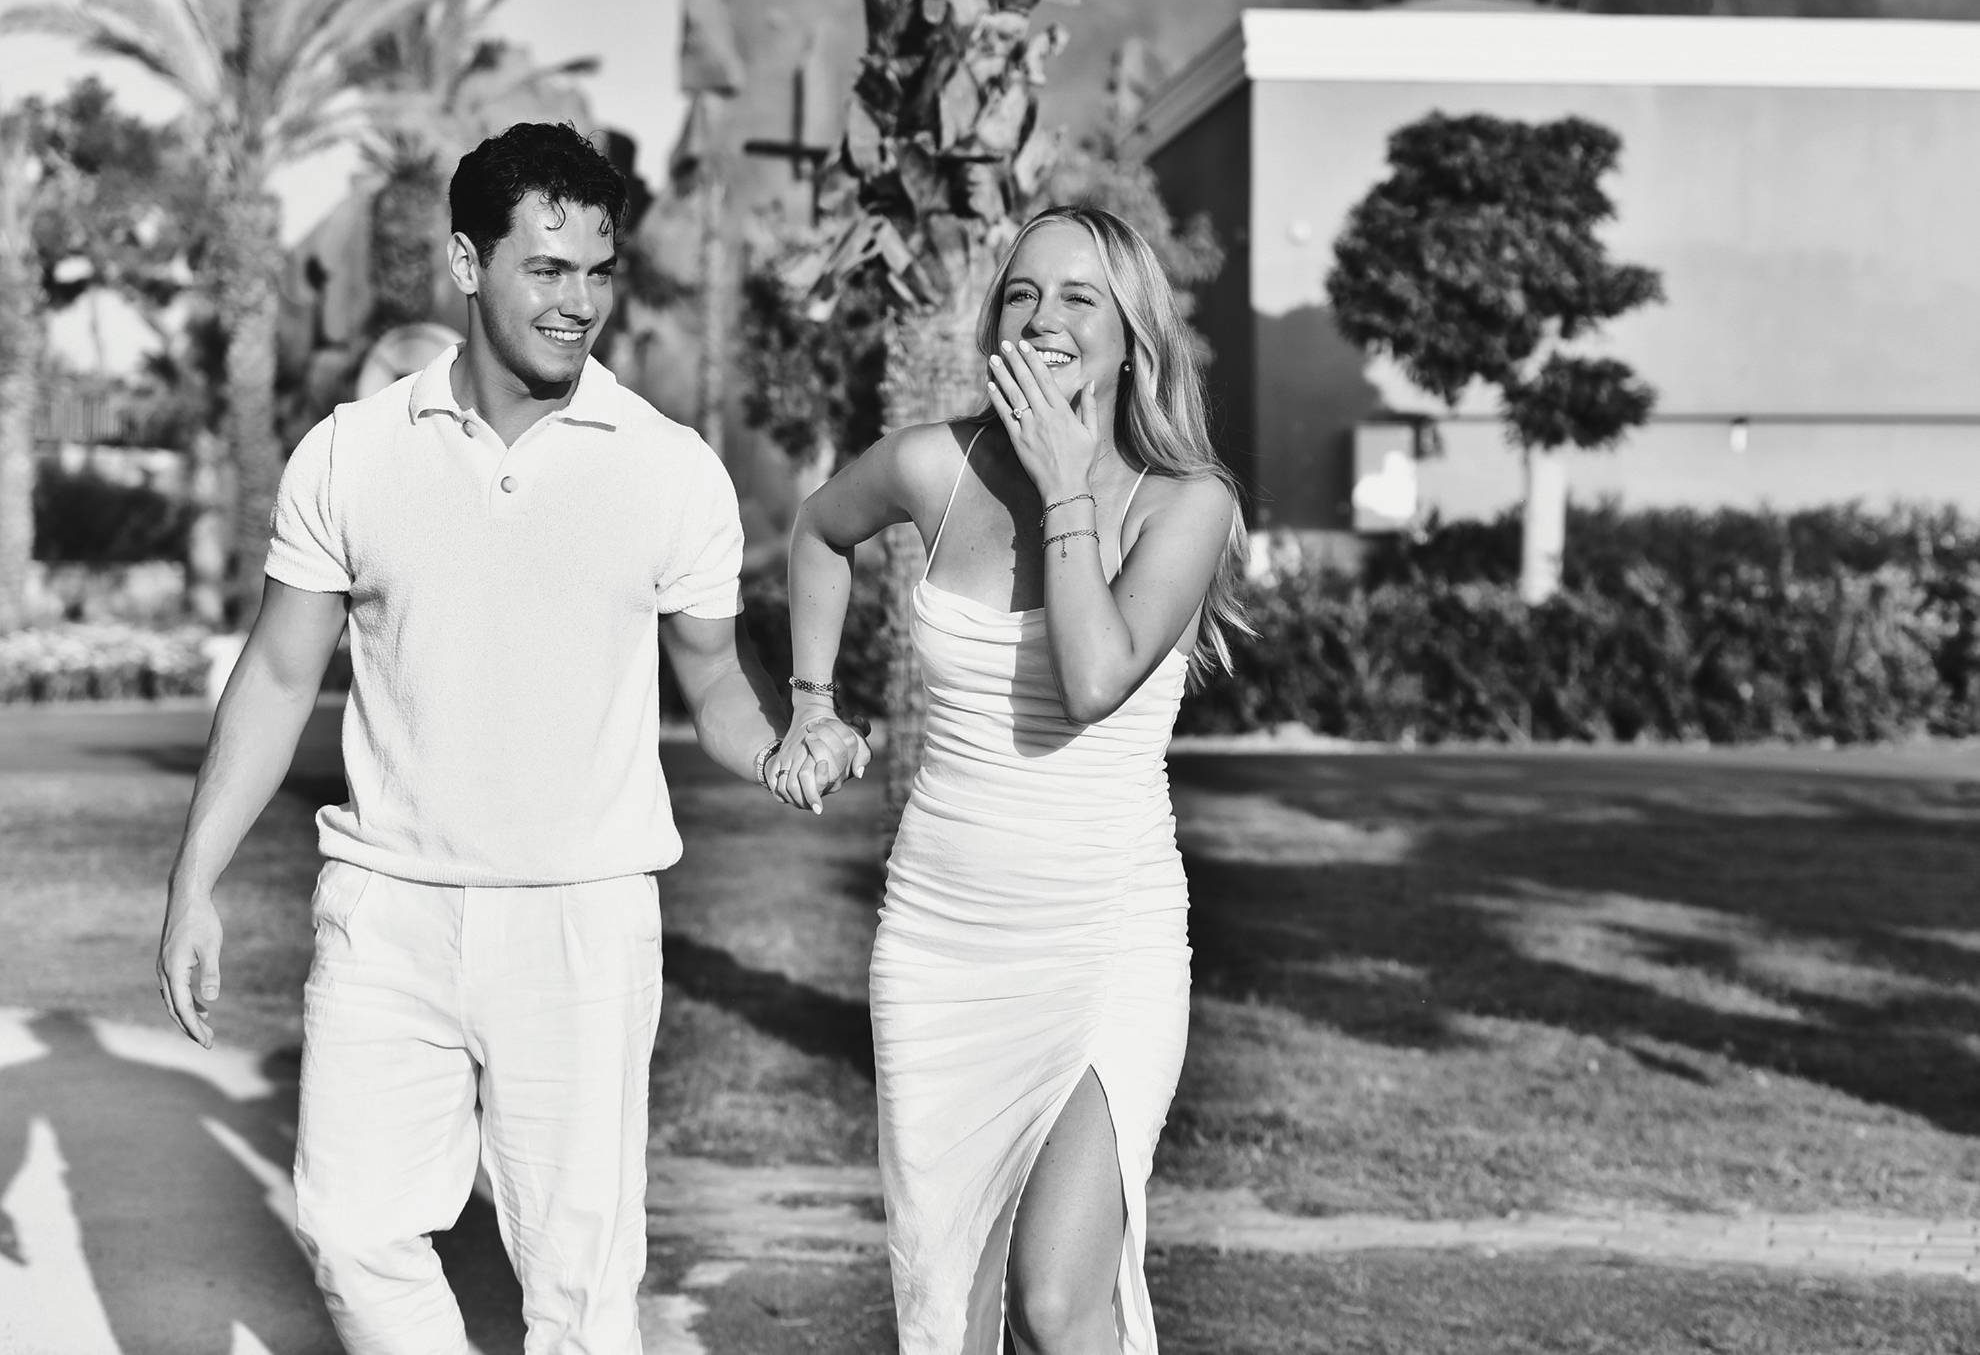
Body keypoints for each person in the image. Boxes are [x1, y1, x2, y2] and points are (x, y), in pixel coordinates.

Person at [154, 121, 866, 1354]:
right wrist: (193, 877)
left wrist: (778, 748)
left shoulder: (672, 469)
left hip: (581, 916)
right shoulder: (353, 452)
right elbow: (275, 673)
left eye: (598, 271)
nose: (578, 301)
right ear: (468, 262)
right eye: (547, 268)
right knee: (350, 1227)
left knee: (581, 1294)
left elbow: (711, 673)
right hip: (386, 906)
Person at [774, 205, 1251, 1355]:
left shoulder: (1188, 502)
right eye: (1023, 293)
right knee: (958, 1302)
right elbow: (819, 530)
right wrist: (812, 703)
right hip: (939, 946)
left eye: (1080, 297)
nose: (1044, 317)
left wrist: (1064, 483)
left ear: (1132, 339)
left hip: (1104, 938)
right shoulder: (933, 465)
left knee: (1053, 1300)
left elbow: (1092, 676)